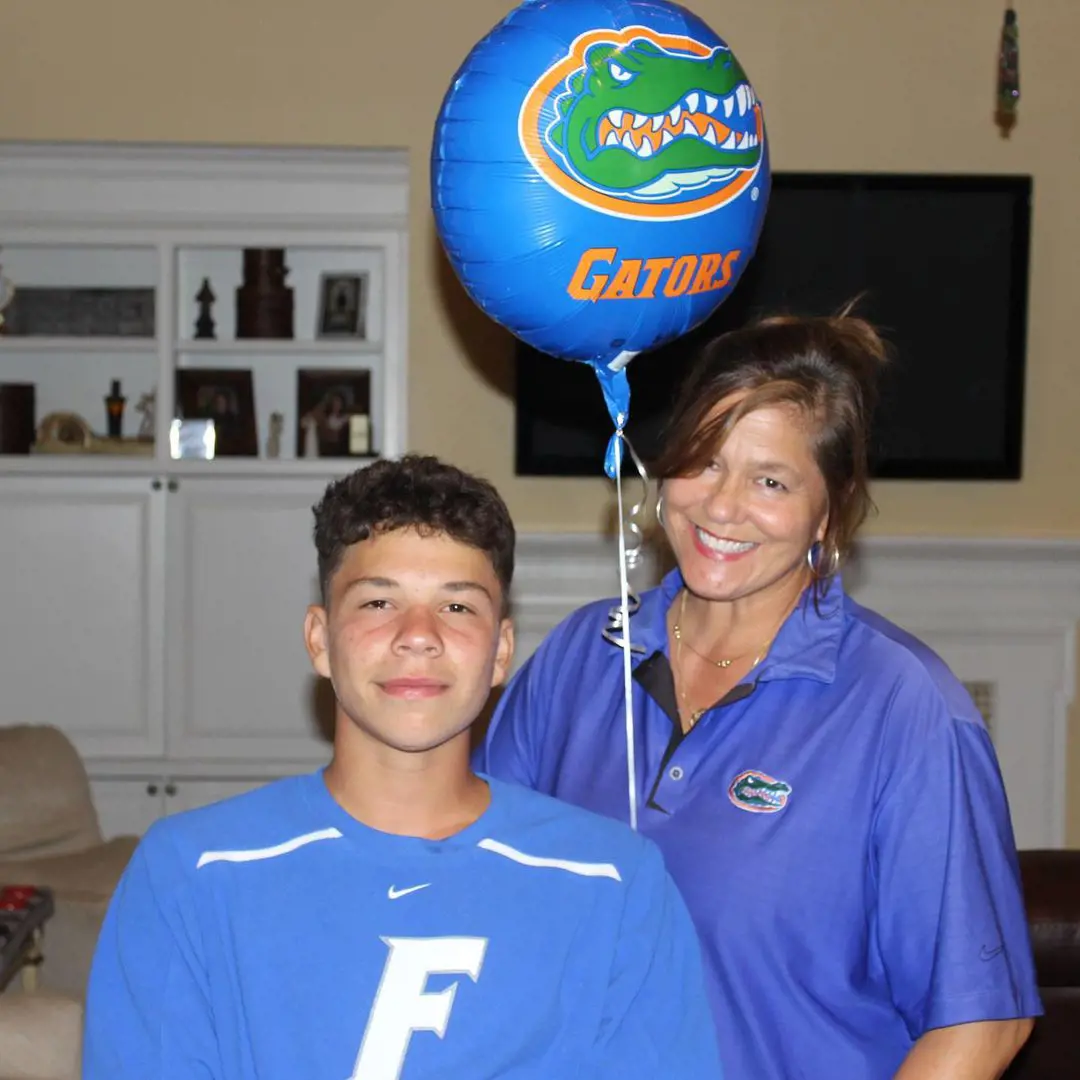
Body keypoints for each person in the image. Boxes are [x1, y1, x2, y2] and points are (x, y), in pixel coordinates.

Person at [478, 312, 1042, 1080]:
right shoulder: (581, 657)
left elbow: (982, 1023)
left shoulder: (904, 708)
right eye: (704, 461)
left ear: (828, 514)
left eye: (770, 480)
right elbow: (477, 904)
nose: (721, 505)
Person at [82, 454, 723, 1080]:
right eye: (378, 603)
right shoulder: (192, 874)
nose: (419, 635)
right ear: (319, 639)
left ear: (501, 652)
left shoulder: (616, 884)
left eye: (457, 606)